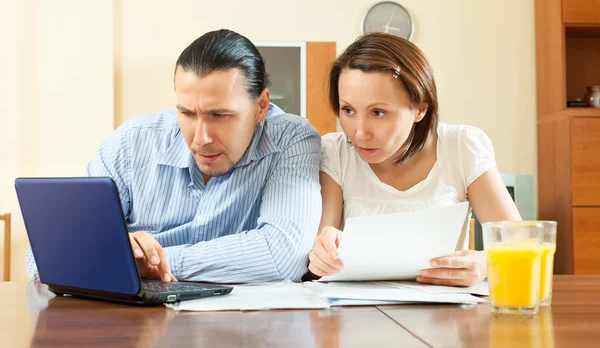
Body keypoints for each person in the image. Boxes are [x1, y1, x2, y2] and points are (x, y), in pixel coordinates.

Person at [26, 29, 322, 283]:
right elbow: (40, 258)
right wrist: (118, 258)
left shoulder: (291, 139)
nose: (201, 137)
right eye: (187, 113)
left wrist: (146, 264)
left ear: (261, 107)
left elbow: (284, 254)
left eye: (220, 115)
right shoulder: (131, 144)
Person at [307, 32, 521, 287]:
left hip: (442, 314)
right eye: (348, 110)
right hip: (357, 314)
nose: (360, 131)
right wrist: (320, 255)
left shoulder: (461, 147)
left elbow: (520, 244)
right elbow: (319, 255)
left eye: (378, 112)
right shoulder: (336, 152)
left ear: (420, 108)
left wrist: (486, 264)